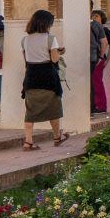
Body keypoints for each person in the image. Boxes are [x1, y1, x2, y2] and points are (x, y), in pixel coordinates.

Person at [20, 9, 67, 150]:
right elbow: (54, 59)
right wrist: (59, 51)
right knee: (54, 108)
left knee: (30, 111)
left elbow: (26, 60)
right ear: (46, 23)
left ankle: (28, 141)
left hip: (31, 76)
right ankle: (57, 137)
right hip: (48, 77)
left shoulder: (25, 40)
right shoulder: (50, 39)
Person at [89, 9, 110, 113]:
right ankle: (95, 105)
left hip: (97, 58)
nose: (94, 17)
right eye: (93, 15)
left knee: (96, 83)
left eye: (96, 16)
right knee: (94, 83)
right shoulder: (97, 27)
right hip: (97, 58)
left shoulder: (103, 29)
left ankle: (100, 106)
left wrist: (103, 59)